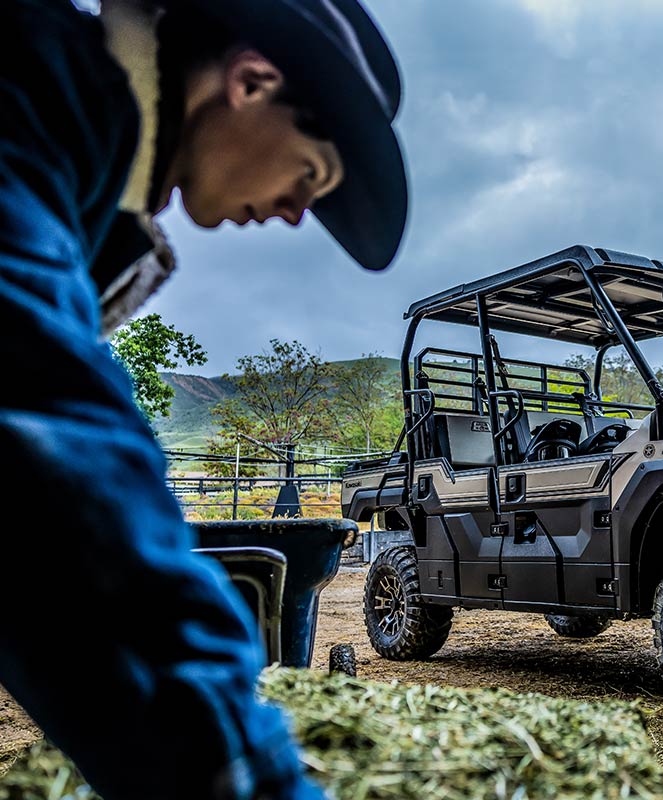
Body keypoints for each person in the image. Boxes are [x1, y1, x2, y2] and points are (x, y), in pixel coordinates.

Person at [0, 0, 408, 797]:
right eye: (311, 177)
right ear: (252, 80)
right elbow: (56, 450)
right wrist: (241, 772)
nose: (296, 214)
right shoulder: (26, 105)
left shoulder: (70, 145)